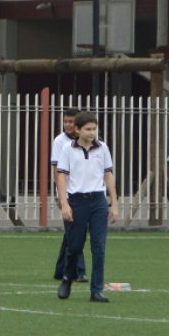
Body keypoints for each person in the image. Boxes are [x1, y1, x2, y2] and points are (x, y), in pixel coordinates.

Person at [55, 112, 119, 303]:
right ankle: (67, 277)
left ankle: (97, 290)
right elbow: (61, 176)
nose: (92, 133)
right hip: (76, 200)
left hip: (98, 201)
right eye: (88, 129)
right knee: (74, 245)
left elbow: (108, 175)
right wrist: (64, 204)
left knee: (99, 246)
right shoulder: (67, 149)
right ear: (78, 130)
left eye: (94, 129)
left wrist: (114, 203)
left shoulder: (103, 148)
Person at [51, 110, 87, 283]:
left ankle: (61, 269)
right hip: (68, 192)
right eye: (65, 121)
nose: (68, 124)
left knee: (71, 231)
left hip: (82, 191)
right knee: (75, 230)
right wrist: (60, 194)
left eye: (71, 121)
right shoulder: (60, 141)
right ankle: (80, 271)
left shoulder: (86, 140)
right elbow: (56, 169)